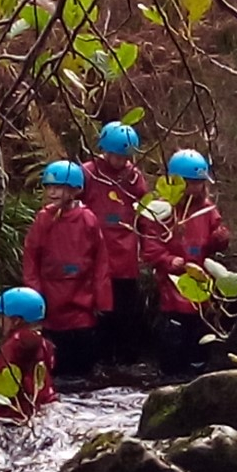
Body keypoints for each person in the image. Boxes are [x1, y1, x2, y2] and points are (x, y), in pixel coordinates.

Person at [141, 148, 232, 377]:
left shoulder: (207, 209)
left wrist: (220, 238)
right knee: (174, 332)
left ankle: (196, 372)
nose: (195, 188)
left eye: (199, 183)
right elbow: (150, 247)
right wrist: (168, 260)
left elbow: (216, 238)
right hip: (172, 284)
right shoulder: (161, 211)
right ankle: (170, 374)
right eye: (190, 183)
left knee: (200, 334)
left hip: (201, 284)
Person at [21, 160, 110, 381]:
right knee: (56, 369)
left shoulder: (88, 220)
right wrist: (35, 294)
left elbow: (100, 261)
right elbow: (31, 257)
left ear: (74, 189)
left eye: (58, 187)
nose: (52, 192)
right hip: (52, 304)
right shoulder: (43, 219)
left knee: (81, 370)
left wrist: (102, 300)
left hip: (81, 304)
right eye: (49, 187)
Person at [83, 120, 149, 368]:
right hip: (95, 255)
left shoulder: (133, 177)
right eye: (116, 155)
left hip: (125, 255)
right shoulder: (88, 173)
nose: (120, 161)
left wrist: (147, 246)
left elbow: (144, 214)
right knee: (99, 310)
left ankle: (126, 360)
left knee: (126, 310)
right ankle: (100, 358)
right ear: (105, 150)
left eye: (125, 156)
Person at [0, 286, 57, 423]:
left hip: (14, 415)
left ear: (16, 320)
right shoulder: (45, 344)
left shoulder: (13, 346)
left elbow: (1, 385)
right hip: (42, 408)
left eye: (2, 317)